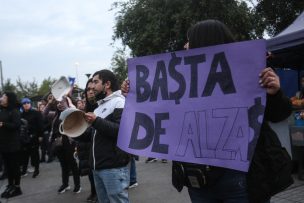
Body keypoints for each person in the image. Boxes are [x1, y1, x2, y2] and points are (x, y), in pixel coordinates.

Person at [121, 20, 293, 203]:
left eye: (189, 40)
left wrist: (274, 94)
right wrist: (135, 92)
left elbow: (279, 115)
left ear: (203, 42)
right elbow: (162, 112)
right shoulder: (181, 82)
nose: (185, 45)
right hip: (198, 178)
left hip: (242, 177)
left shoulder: (249, 71)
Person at [84, 69, 130, 203]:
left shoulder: (119, 102)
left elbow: (121, 131)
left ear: (107, 84)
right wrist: (74, 131)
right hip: (98, 168)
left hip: (113, 167)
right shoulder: (98, 107)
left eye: (95, 82)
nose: (92, 86)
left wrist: (96, 121)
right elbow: (93, 136)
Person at [44, 95, 81, 194]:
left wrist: (68, 102)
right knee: (63, 165)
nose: (59, 104)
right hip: (58, 143)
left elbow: (74, 111)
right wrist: (50, 102)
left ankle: (77, 185)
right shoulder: (55, 114)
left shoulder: (70, 113)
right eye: (58, 102)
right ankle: (65, 184)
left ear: (67, 103)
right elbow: (44, 114)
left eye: (62, 102)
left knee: (72, 164)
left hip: (69, 142)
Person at [74, 78, 98, 203]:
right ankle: (94, 191)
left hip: (99, 151)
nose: (90, 92)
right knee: (90, 173)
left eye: (93, 89)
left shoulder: (101, 107)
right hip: (86, 148)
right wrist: (74, 132)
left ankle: (97, 193)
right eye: (88, 89)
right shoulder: (85, 110)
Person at [0, 92, 22, 198]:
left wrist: (3, 124)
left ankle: (17, 188)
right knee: (8, 168)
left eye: (4, 97)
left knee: (14, 167)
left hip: (13, 144)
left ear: (9, 99)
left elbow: (17, 125)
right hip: (4, 144)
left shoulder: (14, 111)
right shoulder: (3, 110)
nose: (2, 98)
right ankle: (10, 185)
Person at [20, 97, 44, 178]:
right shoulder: (21, 114)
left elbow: (40, 125)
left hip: (34, 137)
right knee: (24, 155)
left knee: (35, 154)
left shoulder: (36, 113)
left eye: (27, 103)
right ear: (22, 105)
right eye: (24, 103)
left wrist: (40, 136)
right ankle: (24, 170)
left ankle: (36, 170)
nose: (26, 105)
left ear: (30, 104)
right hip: (24, 138)